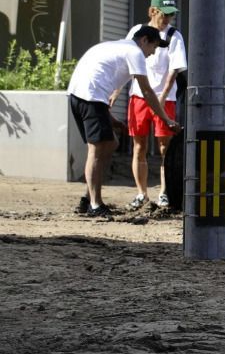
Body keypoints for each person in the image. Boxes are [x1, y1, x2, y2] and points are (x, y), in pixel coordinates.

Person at [66, 26, 177, 217]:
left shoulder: (115, 47)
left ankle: (90, 198)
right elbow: (148, 92)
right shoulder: (134, 52)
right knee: (97, 149)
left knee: (110, 144)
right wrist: (165, 118)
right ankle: (93, 204)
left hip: (79, 95)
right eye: (153, 47)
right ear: (143, 40)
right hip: (90, 97)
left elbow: (98, 81)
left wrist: (111, 119)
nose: (152, 54)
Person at [111, 0, 187, 210]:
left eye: (172, 16)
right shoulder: (137, 32)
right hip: (139, 96)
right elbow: (125, 61)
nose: (168, 20)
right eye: (165, 15)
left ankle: (164, 192)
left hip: (166, 98)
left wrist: (162, 96)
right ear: (153, 11)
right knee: (139, 145)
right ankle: (141, 193)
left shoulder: (174, 36)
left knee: (165, 147)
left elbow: (175, 68)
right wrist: (116, 91)